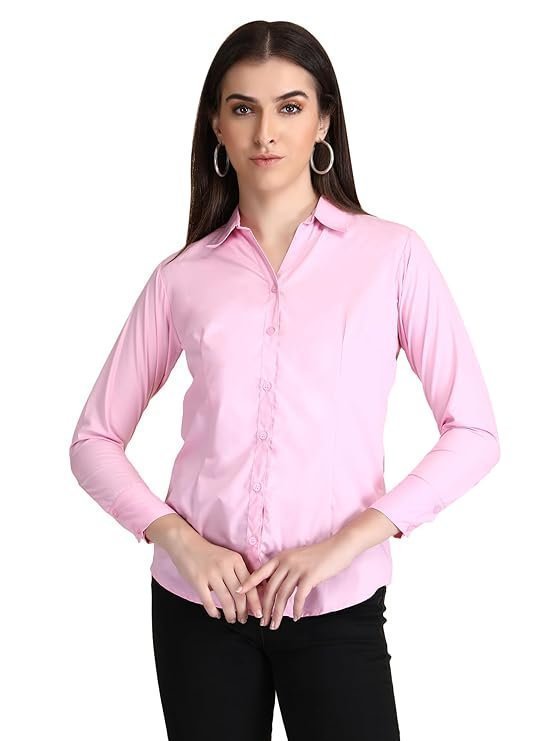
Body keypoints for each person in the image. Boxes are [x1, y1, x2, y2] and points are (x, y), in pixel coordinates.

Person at [68, 19, 500, 741]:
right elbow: (93, 440)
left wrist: (351, 541)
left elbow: (476, 433)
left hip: (336, 601)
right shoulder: (182, 277)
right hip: (199, 609)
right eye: (243, 108)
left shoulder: (393, 257)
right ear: (217, 125)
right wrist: (180, 542)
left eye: (290, 107)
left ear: (323, 120)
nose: (265, 132)